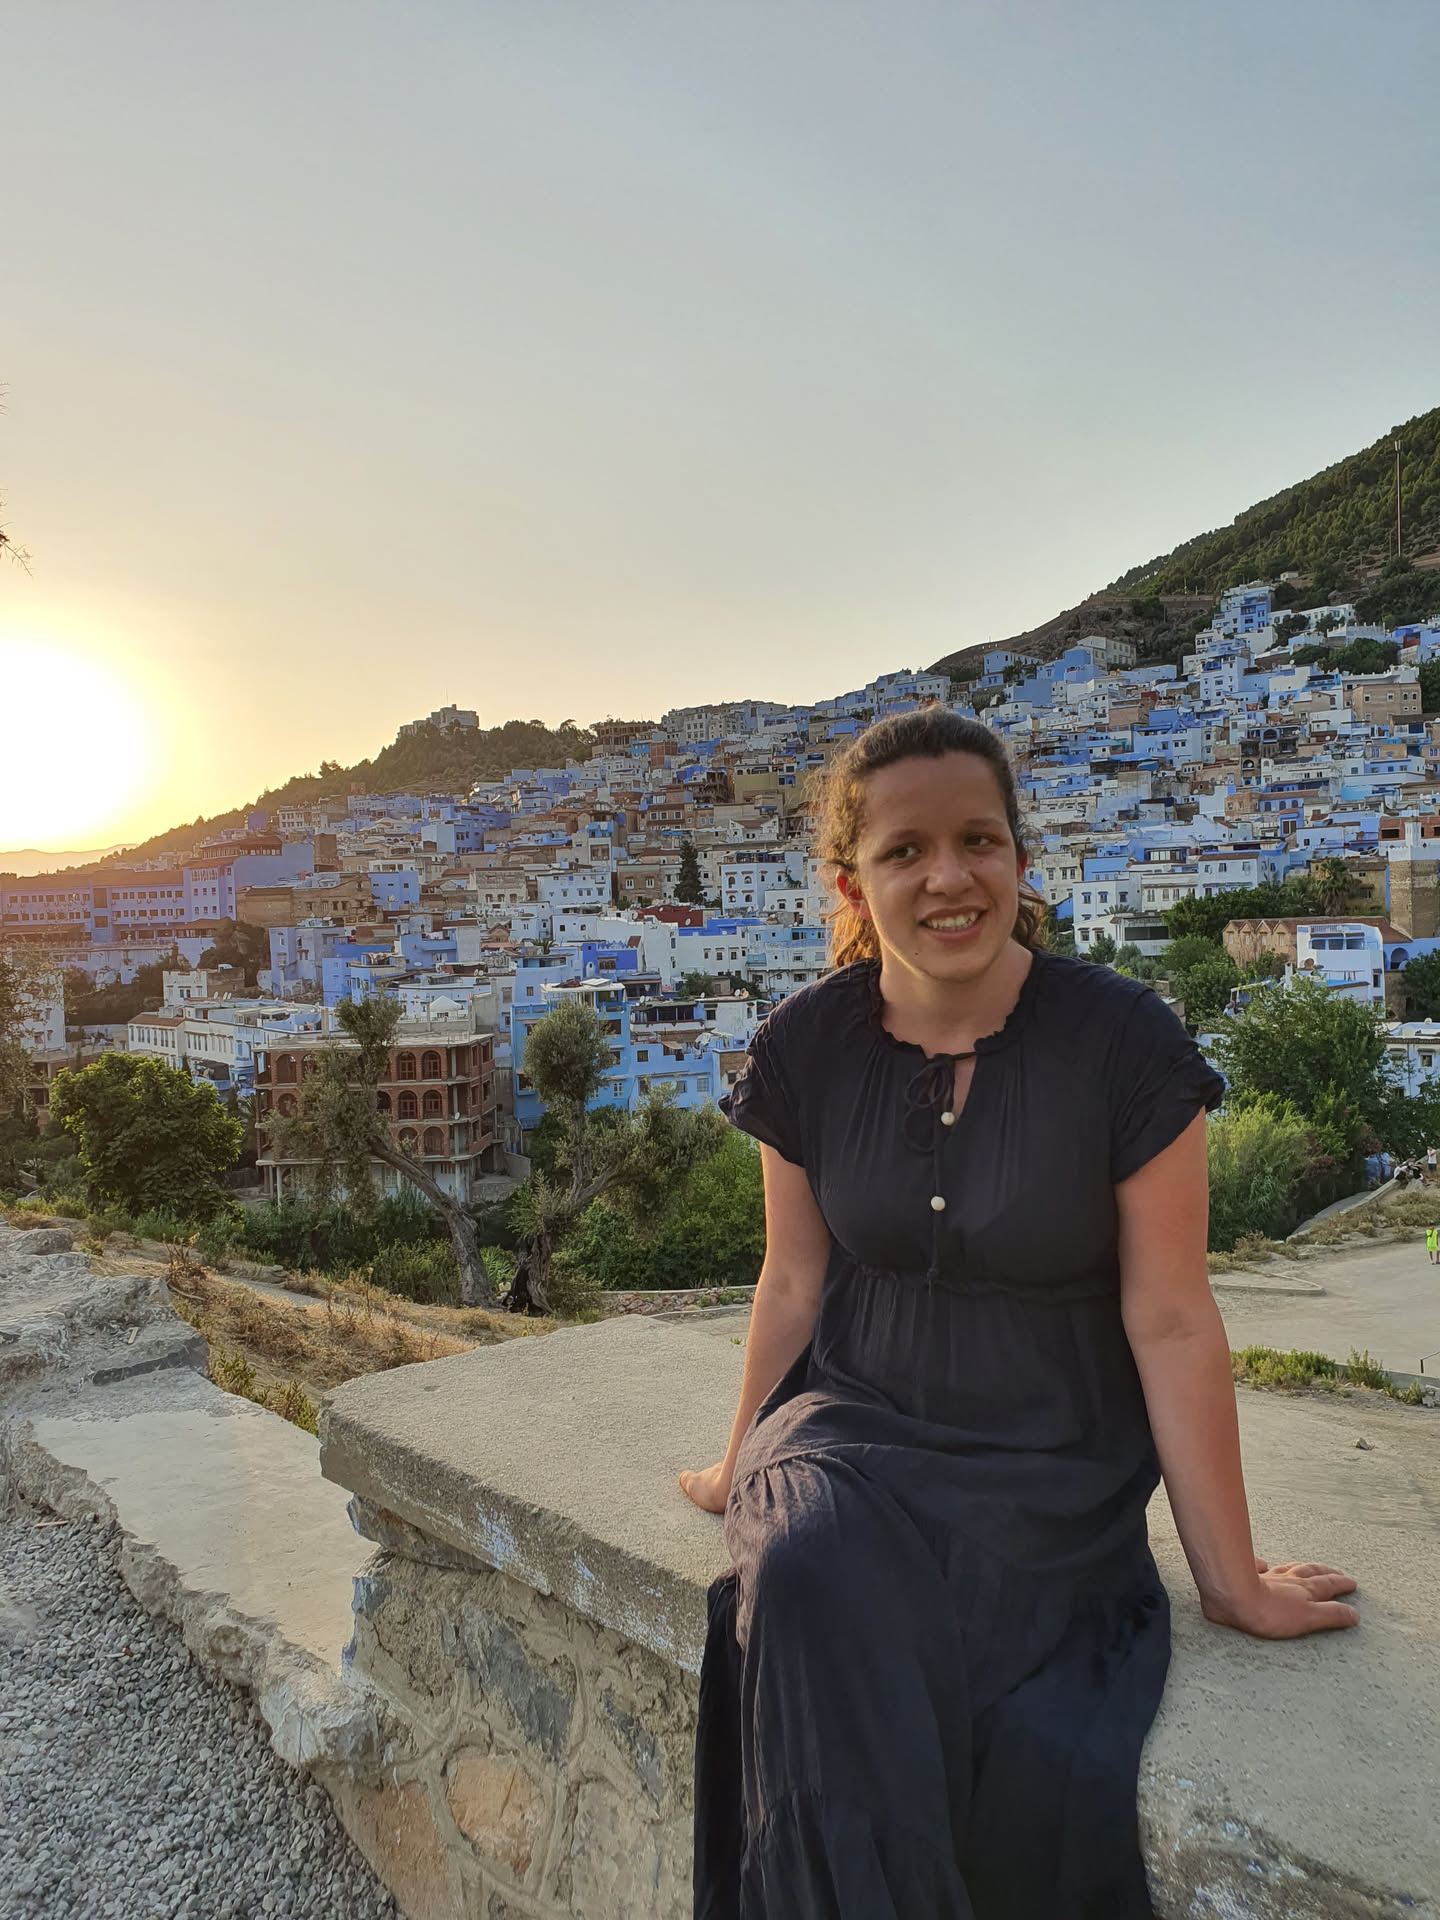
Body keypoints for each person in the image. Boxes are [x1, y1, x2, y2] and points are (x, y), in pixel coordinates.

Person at [681, 708, 1358, 1920]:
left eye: (978, 841)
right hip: (845, 1425)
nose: (949, 876)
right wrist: (742, 1465)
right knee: (804, 1570)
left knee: (979, 1659)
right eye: (906, 850)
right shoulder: (806, 1045)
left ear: (1019, 858)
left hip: (1050, 1464)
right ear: (852, 882)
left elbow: (1171, 1318)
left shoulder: (1123, 1042)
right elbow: (790, 1283)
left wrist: (1231, 1580)